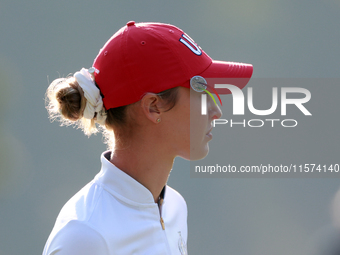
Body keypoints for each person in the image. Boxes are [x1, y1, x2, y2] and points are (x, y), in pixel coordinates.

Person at [42, 21, 253, 255]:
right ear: (153, 107)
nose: (216, 112)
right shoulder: (85, 236)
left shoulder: (174, 207)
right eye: (201, 93)